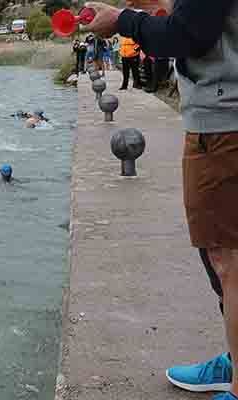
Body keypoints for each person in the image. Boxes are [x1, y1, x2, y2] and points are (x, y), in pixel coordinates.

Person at [84, 1, 238, 399]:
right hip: (221, 119)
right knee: (223, 258)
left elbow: (188, 35)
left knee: (228, 260)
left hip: (225, 124)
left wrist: (124, 21)